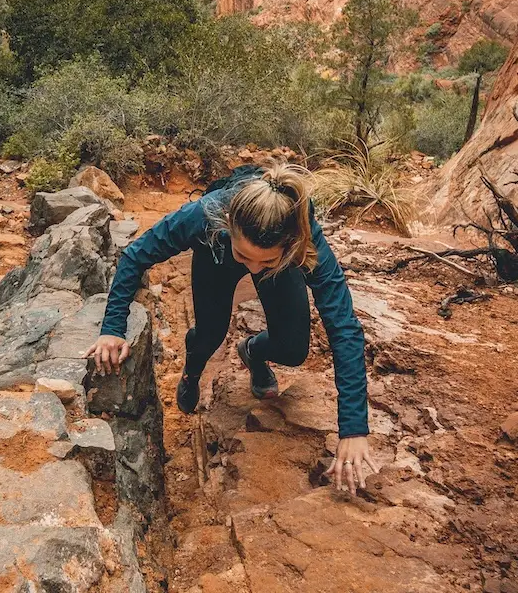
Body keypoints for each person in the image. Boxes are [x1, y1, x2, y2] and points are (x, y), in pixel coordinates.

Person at [85, 163, 381, 495]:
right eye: (246, 256)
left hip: (278, 267)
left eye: (262, 261)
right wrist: (112, 327)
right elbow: (136, 256)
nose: (252, 268)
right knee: (210, 333)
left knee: (294, 349)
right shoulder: (204, 216)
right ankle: (192, 372)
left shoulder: (302, 233)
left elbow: (343, 325)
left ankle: (253, 352)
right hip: (217, 253)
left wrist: (353, 429)